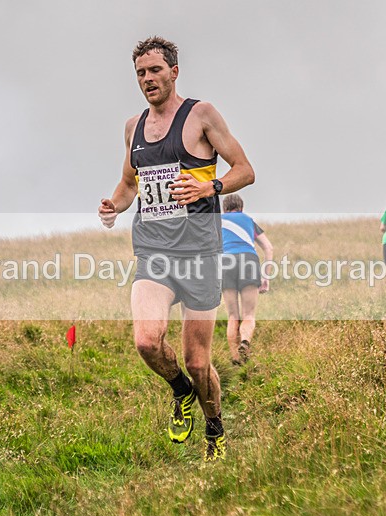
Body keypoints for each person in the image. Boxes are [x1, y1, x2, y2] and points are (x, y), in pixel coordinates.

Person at [98, 36, 255, 462]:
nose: (147, 79)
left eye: (154, 71)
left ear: (174, 72)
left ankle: (214, 426)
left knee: (199, 360)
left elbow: (245, 170)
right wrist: (115, 204)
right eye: (140, 74)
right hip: (154, 251)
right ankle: (180, 392)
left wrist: (211, 185)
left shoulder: (201, 115)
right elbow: (130, 184)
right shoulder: (132, 127)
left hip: (201, 253)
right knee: (147, 342)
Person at [220, 194, 273, 365]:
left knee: (232, 315)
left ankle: (236, 359)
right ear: (241, 208)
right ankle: (245, 341)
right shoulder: (248, 220)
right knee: (248, 314)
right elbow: (268, 248)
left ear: (224, 209)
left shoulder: (216, 221)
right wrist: (266, 276)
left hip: (226, 262)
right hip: (248, 261)